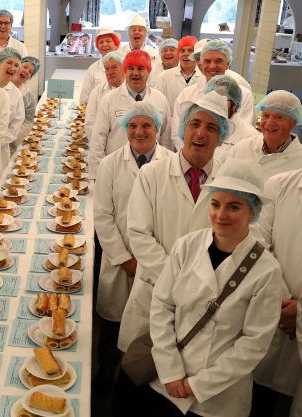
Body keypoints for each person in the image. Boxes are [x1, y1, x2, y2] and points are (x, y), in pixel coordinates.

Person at [113, 91, 230, 416]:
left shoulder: (228, 182)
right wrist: (179, 282)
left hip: (204, 308)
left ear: (222, 137)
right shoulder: (153, 175)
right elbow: (139, 234)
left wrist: (198, 287)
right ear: (183, 129)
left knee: (180, 396)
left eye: (211, 127)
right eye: (195, 123)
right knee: (136, 391)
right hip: (153, 299)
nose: (201, 133)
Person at [147, 159, 281, 417]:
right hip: (167, 381)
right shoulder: (186, 246)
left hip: (218, 400)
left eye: (234, 207)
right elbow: (162, 306)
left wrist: (197, 385)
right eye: (215, 204)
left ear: (252, 211)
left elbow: (253, 344)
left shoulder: (266, 270)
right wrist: (172, 371)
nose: (220, 215)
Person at [93, 102, 172, 396]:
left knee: (147, 328)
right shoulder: (110, 164)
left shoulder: (170, 163)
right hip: (120, 260)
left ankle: (136, 385)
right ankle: (105, 372)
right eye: (133, 126)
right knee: (112, 326)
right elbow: (103, 215)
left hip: (155, 261)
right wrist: (125, 259)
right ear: (125, 130)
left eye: (146, 126)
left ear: (157, 129)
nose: (139, 132)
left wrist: (149, 262)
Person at [252, 165, 302, 417]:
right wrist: (283, 301)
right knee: (259, 400)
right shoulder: (278, 185)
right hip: (271, 314)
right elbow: (257, 243)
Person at [89, 49, 172, 178]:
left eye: (140, 68)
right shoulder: (109, 99)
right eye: (130, 68)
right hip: (116, 171)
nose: (135, 73)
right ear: (125, 71)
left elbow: (166, 139)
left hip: (153, 171)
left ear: (149, 71)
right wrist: (98, 174)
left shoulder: (160, 99)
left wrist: (165, 169)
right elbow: (98, 140)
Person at [171, 40, 254, 148]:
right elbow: (177, 133)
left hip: (227, 158)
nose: (212, 66)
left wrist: (214, 158)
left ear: (228, 64)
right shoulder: (187, 94)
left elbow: (242, 132)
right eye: (207, 61)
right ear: (201, 63)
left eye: (218, 61)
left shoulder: (243, 94)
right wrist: (193, 157)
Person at [227, 90, 302, 178]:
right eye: (266, 115)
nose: (269, 123)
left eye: (279, 117)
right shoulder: (243, 148)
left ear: (293, 123)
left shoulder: (299, 160)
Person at [203, 75, 260, 162]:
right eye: (211, 97)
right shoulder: (202, 128)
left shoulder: (251, 138)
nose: (214, 102)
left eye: (222, 99)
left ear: (234, 104)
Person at [0, 47, 25, 164]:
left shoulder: (16, 95)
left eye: (17, 65)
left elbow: (14, 128)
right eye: (9, 63)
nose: (13, 68)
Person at [84, 51, 126, 141]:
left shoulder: (131, 91)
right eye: (107, 69)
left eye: (114, 67)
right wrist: (100, 146)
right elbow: (90, 124)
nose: (110, 72)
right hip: (102, 146)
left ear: (124, 68)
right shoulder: (97, 92)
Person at [156, 36, 203, 109]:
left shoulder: (204, 76)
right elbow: (159, 105)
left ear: (196, 55)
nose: (186, 53)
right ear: (178, 54)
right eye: (182, 51)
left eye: (190, 50)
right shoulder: (164, 76)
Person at [79, 27, 121, 104]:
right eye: (101, 42)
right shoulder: (93, 69)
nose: (104, 45)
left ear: (116, 45)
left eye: (108, 41)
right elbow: (84, 99)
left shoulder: (124, 66)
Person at [12, 56, 40, 140]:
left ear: (30, 77)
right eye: (25, 67)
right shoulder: (1, 85)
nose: (26, 71)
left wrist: (11, 137)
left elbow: (28, 123)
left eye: (31, 72)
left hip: (12, 138)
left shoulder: (28, 97)